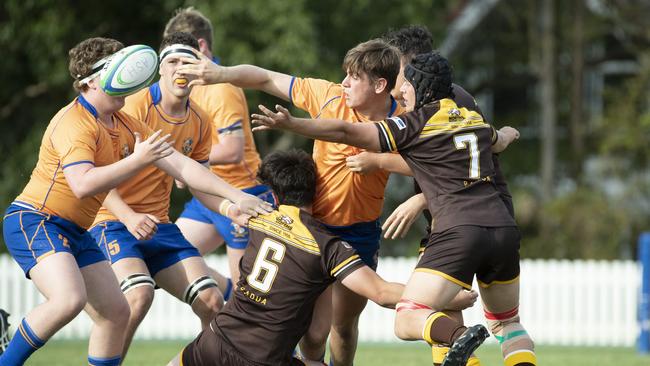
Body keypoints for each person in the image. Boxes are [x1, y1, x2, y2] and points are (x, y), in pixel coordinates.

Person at [250, 52, 536, 366]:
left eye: (407, 85)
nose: (400, 93)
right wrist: (510, 132)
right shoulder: (473, 118)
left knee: (407, 318)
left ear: (422, 87)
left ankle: (457, 337)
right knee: (507, 323)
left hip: (458, 228)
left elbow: (347, 132)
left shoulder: (413, 123)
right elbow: (498, 141)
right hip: (503, 227)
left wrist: (294, 125)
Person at [177, 38, 404, 365]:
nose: (344, 83)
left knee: (344, 324)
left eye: (354, 77)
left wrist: (380, 162)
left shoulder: (405, 120)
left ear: (380, 85)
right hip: (312, 232)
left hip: (359, 234)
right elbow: (266, 78)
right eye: (346, 75)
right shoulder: (328, 96)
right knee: (313, 334)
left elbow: (428, 164)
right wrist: (221, 73)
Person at [88, 32, 272, 362]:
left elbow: (196, 181)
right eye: (172, 61)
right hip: (113, 221)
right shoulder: (135, 106)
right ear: (159, 68)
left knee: (214, 303)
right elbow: (98, 178)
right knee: (139, 295)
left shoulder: (200, 120)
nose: (180, 69)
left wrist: (230, 208)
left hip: (159, 226)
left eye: (187, 61)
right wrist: (129, 216)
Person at [0, 37, 175, 366]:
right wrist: (139, 160)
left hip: (77, 231)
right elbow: (82, 184)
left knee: (116, 312)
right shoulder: (74, 121)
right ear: (91, 80)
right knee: (68, 299)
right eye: (117, 67)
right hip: (35, 220)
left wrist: (234, 196)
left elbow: (178, 163)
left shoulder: (124, 123)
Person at [168, 149, 405, 366]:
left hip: (215, 342)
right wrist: (436, 296)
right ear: (316, 192)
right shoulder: (327, 247)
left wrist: (192, 176)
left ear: (275, 195)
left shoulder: (258, 218)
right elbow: (381, 294)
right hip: (263, 358)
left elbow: (197, 181)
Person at [164, 7, 276, 291]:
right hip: (207, 195)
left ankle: (232, 299)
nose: (175, 65)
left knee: (247, 294)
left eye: (181, 53)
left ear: (200, 47)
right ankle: (224, 295)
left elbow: (232, 150)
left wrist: (184, 163)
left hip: (244, 192)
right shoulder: (188, 89)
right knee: (165, 260)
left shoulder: (221, 89)